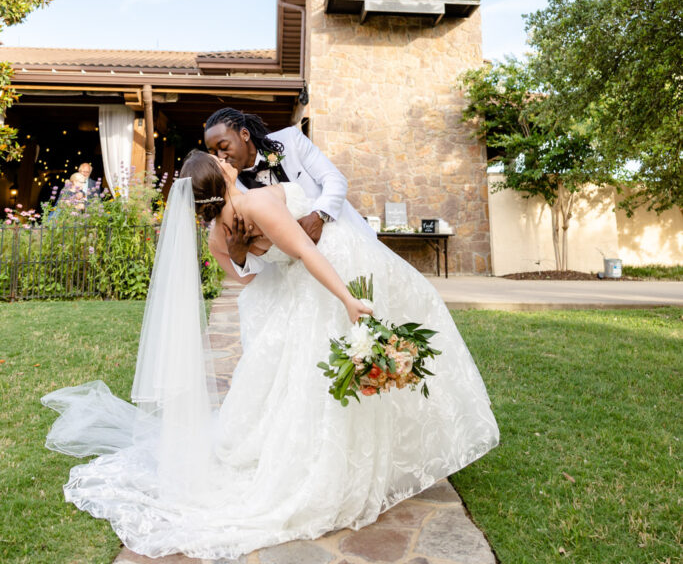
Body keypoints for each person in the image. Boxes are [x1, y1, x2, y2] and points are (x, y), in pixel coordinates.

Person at [42, 148, 499, 561]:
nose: (224, 157)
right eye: (217, 158)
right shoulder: (255, 204)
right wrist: (348, 300)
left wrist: (245, 251)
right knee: (338, 374)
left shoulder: (218, 233)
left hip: (301, 294)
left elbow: (244, 278)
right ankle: (342, 464)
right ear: (217, 178)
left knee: (307, 383)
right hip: (330, 276)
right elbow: (305, 250)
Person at [203, 108, 375, 278]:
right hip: (299, 275)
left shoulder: (290, 140)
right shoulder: (234, 191)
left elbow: (334, 179)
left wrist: (319, 215)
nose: (221, 156)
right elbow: (263, 254)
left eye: (224, 147)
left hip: (347, 243)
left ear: (244, 134)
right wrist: (239, 257)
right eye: (214, 153)